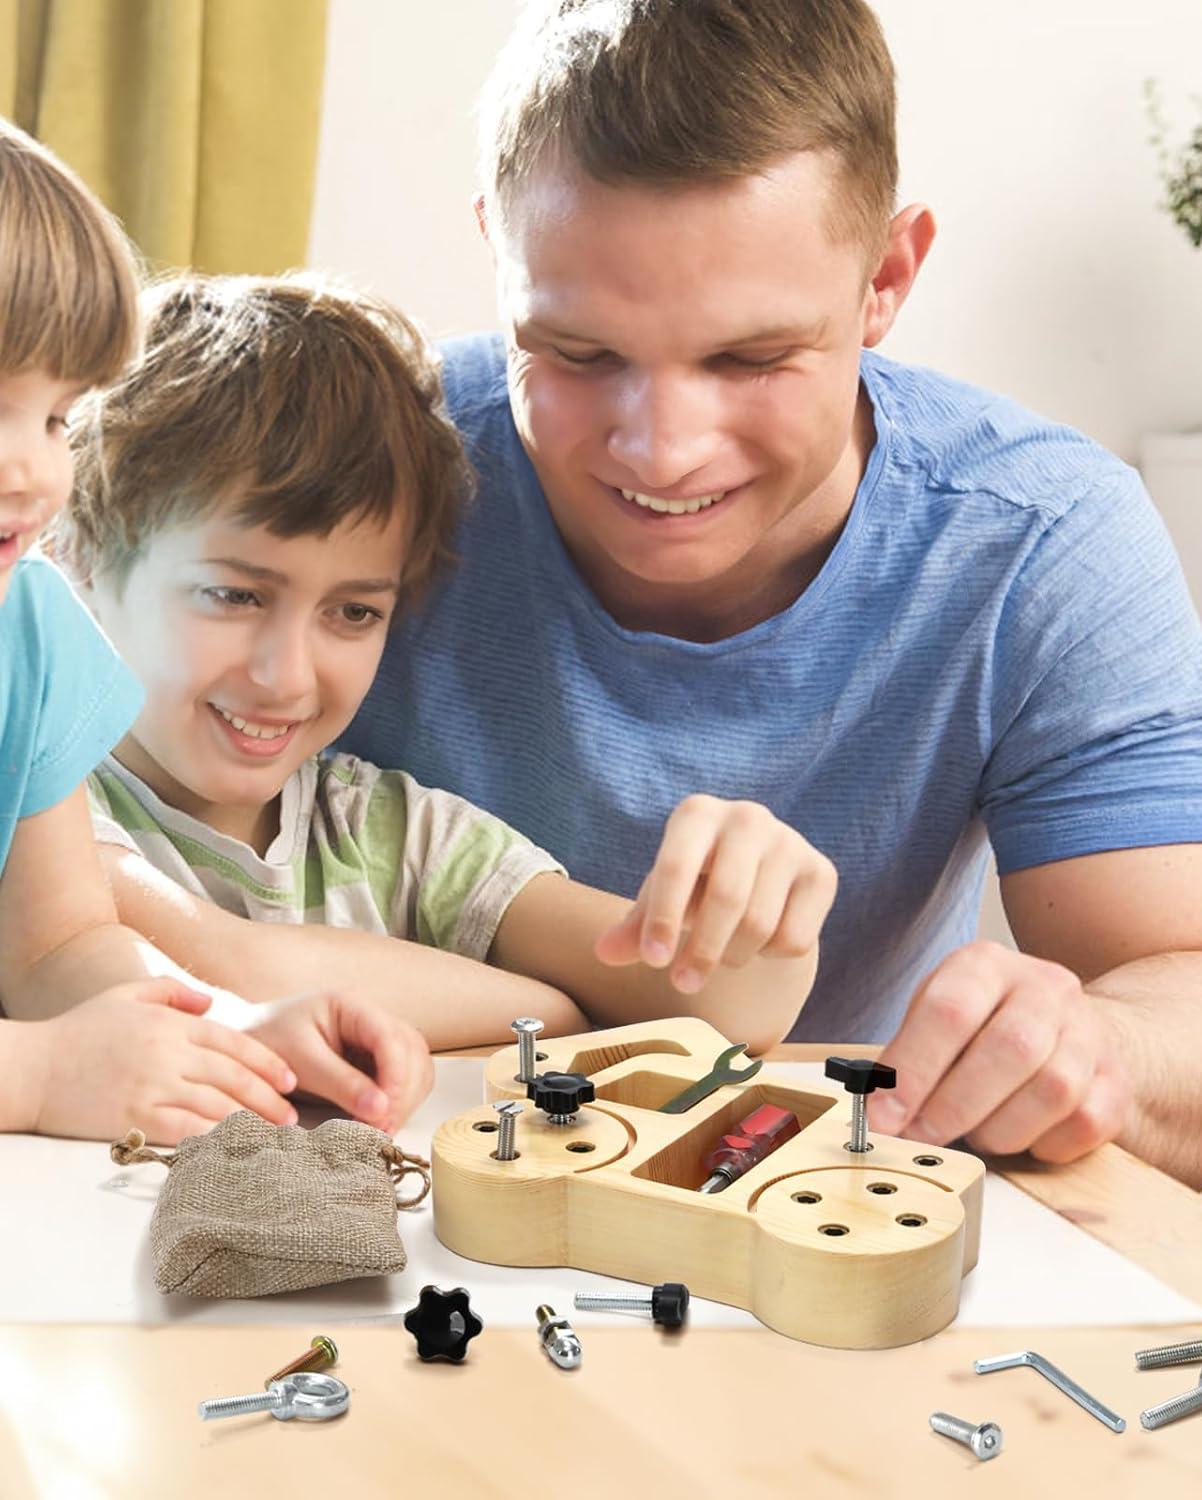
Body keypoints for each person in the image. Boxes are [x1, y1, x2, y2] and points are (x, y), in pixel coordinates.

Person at [334, 0, 1202, 1190]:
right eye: (579, 354)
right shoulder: (351, 467)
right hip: (385, 1187)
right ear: (498, 250)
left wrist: (1097, 1051)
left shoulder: (1036, 542)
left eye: (750, 359)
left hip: (822, 1209)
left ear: (885, 276)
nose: (663, 449)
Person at [58, 272, 835, 1057]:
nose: (286, 676)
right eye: (234, 596)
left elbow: (727, 1009)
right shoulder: (41, 808)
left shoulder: (389, 833)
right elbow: (233, 974)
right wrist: (552, 1012)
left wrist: (759, 907)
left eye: (354, 613)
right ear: (79, 554)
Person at [0, 118, 432, 1143]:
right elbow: (48, 1043)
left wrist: (228, 1035)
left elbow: (58, 946)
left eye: (56, 419)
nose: (33, 471)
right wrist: (39, 1075)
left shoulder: (29, 629)